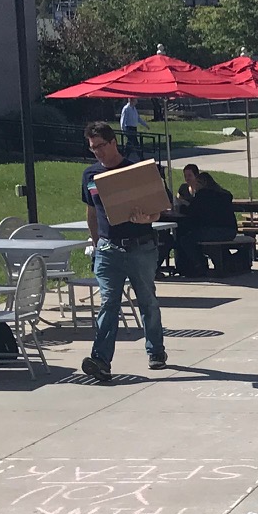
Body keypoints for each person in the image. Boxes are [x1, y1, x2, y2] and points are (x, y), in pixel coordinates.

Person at [80, 121, 167, 383]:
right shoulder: (90, 175)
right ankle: (101, 360)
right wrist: (96, 245)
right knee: (108, 303)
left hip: (140, 245)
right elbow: (92, 213)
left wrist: (147, 218)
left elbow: (159, 208)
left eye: (101, 147)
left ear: (113, 143)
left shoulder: (135, 170)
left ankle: (156, 351)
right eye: (93, 148)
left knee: (147, 301)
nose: (97, 153)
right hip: (108, 250)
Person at [171, 165, 238, 278]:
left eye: (197, 184)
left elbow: (192, 213)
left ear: (202, 184)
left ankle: (199, 264)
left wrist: (180, 206)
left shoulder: (203, 195)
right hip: (231, 230)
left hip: (216, 230)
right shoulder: (223, 194)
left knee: (186, 240)